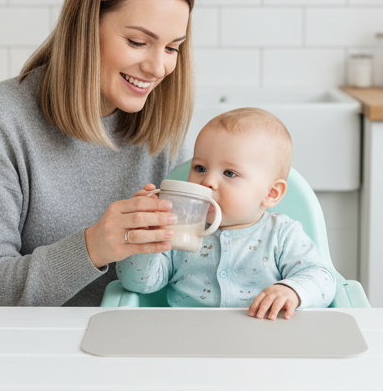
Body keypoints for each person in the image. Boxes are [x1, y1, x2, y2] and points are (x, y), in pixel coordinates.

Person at [0, 0, 194, 307]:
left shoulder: (160, 130)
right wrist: (94, 246)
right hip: (5, 350)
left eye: (172, 48)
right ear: (86, 27)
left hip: (117, 340)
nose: (158, 67)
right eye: (138, 42)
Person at [116, 108, 335, 318]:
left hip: (261, 339)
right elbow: (138, 284)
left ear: (271, 193)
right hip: (188, 338)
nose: (208, 181)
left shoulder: (283, 234)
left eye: (229, 173)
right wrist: (145, 238)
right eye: (200, 168)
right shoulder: (178, 227)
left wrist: (291, 291)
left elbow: (323, 278)